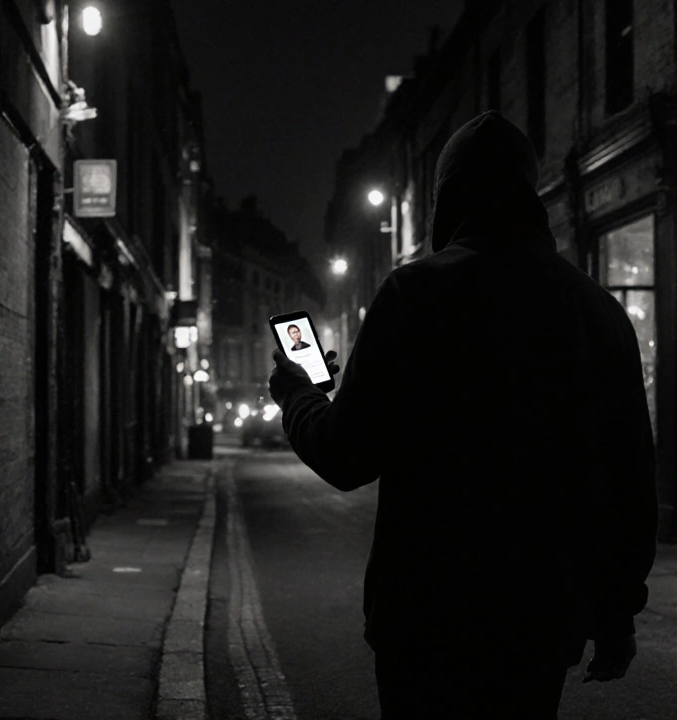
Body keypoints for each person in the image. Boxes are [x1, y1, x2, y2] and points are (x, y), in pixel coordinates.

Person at [269, 110, 657, 718]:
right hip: (540, 617)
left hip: (425, 616)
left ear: (446, 198)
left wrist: (299, 394)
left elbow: (346, 457)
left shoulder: (412, 295)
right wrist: (616, 618)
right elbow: (630, 482)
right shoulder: (599, 313)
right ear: (529, 195)